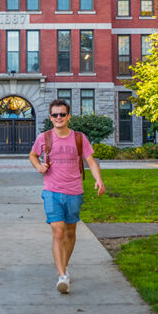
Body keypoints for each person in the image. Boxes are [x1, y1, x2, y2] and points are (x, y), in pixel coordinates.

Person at [28, 99, 106, 294]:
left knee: (70, 233)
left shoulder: (79, 138)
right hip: (52, 191)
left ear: (68, 116)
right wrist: (38, 166)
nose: (59, 117)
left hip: (74, 192)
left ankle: (65, 265)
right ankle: (62, 275)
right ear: (50, 117)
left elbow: (91, 161)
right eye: (55, 115)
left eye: (62, 114)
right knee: (59, 232)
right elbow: (32, 155)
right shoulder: (44, 138)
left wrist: (99, 179)